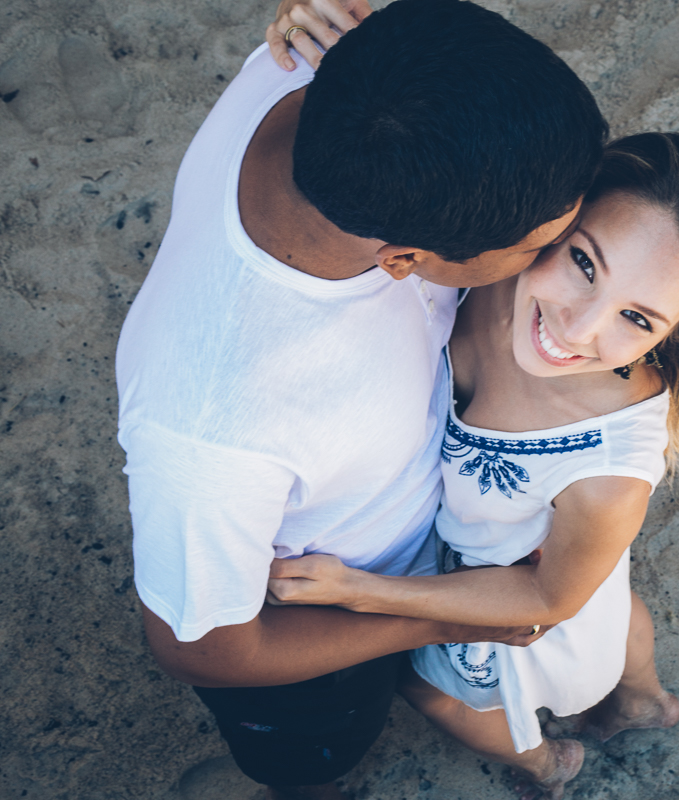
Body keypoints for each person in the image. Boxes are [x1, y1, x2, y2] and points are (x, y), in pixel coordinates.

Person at [115, 1, 607, 797]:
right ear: (404, 260)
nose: (553, 261)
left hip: (408, 540)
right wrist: (434, 618)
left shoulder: (336, 59)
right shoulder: (215, 429)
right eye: (535, 247)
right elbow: (198, 647)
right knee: (316, 755)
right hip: (320, 627)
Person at [266, 131, 679, 800]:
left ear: (671, 334)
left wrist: (359, 592)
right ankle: (644, 701)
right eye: (583, 262)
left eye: (637, 318)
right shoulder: (485, 271)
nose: (576, 330)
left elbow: (550, 600)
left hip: (512, 600)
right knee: (609, 593)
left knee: (424, 689)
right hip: (575, 574)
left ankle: (550, 764)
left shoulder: (610, 472)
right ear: (556, 219)